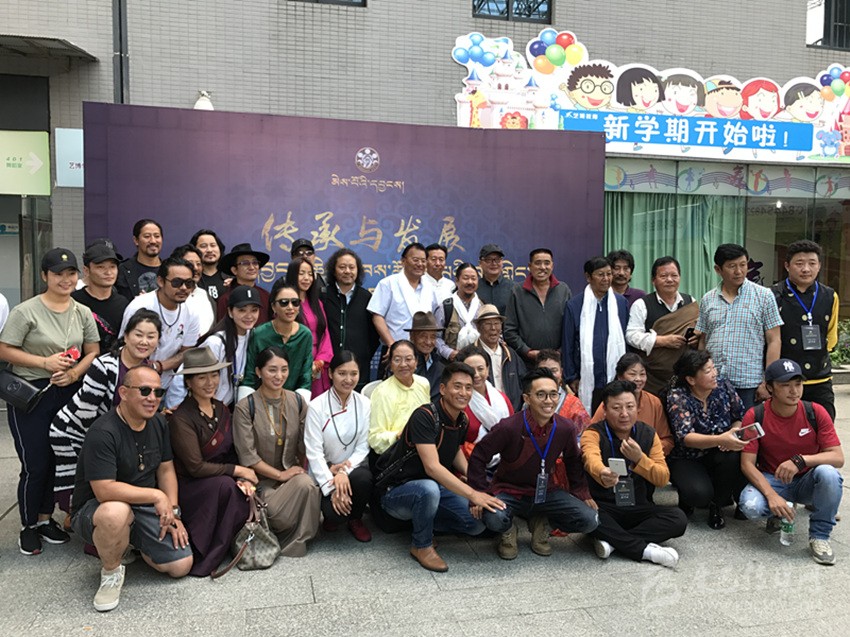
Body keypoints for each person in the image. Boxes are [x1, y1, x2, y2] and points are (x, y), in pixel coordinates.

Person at [0, 248, 100, 555]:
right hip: (32, 394)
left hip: (67, 390)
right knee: (35, 462)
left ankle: (46, 519)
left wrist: (74, 374)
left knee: (58, 458)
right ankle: (28, 525)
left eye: (71, 273)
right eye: (58, 274)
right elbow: (4, 349)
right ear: (45, 276)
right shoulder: (25, 311)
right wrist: (44, 363)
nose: (65, 279)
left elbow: (93, 351)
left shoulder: (81, 311)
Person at [70, 366, 193, 612]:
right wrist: (156, 495)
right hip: (97, 508)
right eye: (144, 391)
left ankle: (130, 543)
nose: (152, 398)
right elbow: (104, 490)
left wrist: (173, 513)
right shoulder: (103, 432)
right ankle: (111, 571)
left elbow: (166, 470)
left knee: (181, 565)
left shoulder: (158, 422)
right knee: (116, 513)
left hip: (142, 505)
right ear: (124, 393)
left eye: (158, 392)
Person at [378, 362, 506, 572]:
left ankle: (425, 523)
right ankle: (421, 545)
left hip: (435, 490)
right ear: (443, 389)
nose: (463, 393)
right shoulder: (425, 416)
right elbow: (432, 468)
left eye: (468, 388)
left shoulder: (462, 419)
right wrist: (473, 494)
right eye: (457, 386)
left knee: (476, 524)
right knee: (428, 488)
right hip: (397, 491)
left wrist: (476, 482)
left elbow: (454, 451)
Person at [468, 368, 598, 560]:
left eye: (553, 394)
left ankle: (543, 525)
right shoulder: (509, 426)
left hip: (547, 492)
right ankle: (508, 530)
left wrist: (582, 492)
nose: (548, 400)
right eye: (541, 395)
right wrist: (479, 493)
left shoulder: (565, 427)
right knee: (494, 519)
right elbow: (479, 455)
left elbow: (573, 460)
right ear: (527, 398)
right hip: (509, 491)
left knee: (590, 520)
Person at [51, 309, 162, 511]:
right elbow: (86, 412)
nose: (144, 341)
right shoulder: (104, 365)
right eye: (138, 334)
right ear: (125, 336)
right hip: (74, 429)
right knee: (83, 483)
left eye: (151, 336)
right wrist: (105, 444)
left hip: (110, 433)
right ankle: (78, 517)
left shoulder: (149, 369)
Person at [738, 358, 844, 565]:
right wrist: (771, 496)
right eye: (785, 385)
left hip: (808, 480)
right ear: (770, 387)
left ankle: (820, 536)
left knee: (829, 474)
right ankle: (779, 511)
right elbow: (747, 463)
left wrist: (800, 460)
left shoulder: (815, 411)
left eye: (798, 384)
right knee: (750, 506)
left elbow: (837, 457)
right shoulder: (755, 414)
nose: (794, 391)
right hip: (774, 479)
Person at [167, 348, 256, 576]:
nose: (210, 382)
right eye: (202, 377)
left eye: (214, 375)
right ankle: (209, 551)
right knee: (226, 486)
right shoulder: (181, 418)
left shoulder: (221, 408)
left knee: (239, 489)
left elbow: (231, 451)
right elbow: (195, 467)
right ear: (188, 382)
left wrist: (242, 477)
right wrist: (236, 471)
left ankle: (225, 544)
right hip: (192, 484)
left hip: (221, 477)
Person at [581, 380, 687, 567]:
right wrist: (603, 472)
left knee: (678, 519)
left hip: (638, 506)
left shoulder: (648, 434)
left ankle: (613, 542)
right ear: (604, 410)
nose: (624, 414)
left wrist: (639, 459)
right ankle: (646, 551)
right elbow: (591, 458)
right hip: (605, 507)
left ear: (637, 408)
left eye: (630, 407)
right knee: (586, 516)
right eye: (616, 408)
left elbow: (662, 478)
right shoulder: (593, 433)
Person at [233, 346, 320, 556]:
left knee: (307, 484)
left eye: (284, 369)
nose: (279, 376)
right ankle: (281, 530)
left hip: (291, 479)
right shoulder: (245, 407)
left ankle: (297, 540)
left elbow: (308, 442)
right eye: (272, 370)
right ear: (258, 372)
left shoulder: (296, 401)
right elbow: (248, 457)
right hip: (261, 484)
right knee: (283, 508)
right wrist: (281, 475)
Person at [666, 349, 747, 529]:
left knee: (734, 456)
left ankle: (717, 506)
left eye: (714, 368)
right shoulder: (678, 396)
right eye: (708, 371)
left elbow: (739, 416)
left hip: (720, 451)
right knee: (698, 495)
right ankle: (688, 497)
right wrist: (720, 439)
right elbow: (686, 436)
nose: (714, 373)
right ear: (691, 379)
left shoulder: (724, 386)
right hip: (687, 457)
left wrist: (733, 432)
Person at [695, 243, 783, 409]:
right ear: (718, 269)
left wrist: (768, 381)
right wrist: (699, 375)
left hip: (749, 384)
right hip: (713, 383)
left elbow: (774, 340)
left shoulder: (764, 296)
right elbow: (703, 341)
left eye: (743, 265)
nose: (739, 271)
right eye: (732, 266)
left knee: (748, 425)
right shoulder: (707, 299)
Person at [304, 351, 373, 542]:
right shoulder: (317, 406)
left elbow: (363, 446)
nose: (348, 380)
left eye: (354, 374)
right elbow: (314, 452)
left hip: (352, 469)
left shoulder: (365, 403)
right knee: (334, 516)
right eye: (342, 373)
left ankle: (356, 519)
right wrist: (332, 484)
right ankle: (333, 513)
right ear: (330, 373)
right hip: (325, 470)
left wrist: (343, 471)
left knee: (364, 478)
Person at [119, 256, 202, 409]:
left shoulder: (192, 311)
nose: (184, 288)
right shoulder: (140, 306)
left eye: (189, 283)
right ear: (161, 281)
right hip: (134, 389)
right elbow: (124, 347)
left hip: (166, 388)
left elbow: (187, 352)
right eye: (177, 282)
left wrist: (159, 366)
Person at [771, 240, 840, 421]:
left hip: (820, 379)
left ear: (819, 266)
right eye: (799, 263)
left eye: (812, 263)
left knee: (824, 426)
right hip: (785, 380)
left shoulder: (830, 296)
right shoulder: (773, 295)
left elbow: (831, 335)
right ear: (787, 266)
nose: (806, 269)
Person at [169, 285, 262, 409]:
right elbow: (184, 377)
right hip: (198, 408)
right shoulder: (215, 343)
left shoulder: (252, 335)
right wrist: (177, 407)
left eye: (254, 310)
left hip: (222, 408)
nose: (249, 316)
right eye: (242, 310)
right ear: (230, 312)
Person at [562, 256, 628, 414]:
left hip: (615, 377)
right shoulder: (574, 305)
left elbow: (626, 339)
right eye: (600, 274)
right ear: (588, 277)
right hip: (586, 378)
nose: (606, 279)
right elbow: (568, 344)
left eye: (609, 274)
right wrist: (571, 377)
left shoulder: (620, 303)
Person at [626, 256, 698, 395]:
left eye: (674, 275)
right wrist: (661, 341)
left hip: (684, 377)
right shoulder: (642, 304)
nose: (669, 280)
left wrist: (696, 339)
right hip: (652, 378)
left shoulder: (690, 302)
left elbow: (700, 330)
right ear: (653, 280)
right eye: (663, 276)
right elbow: (631, 335)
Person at [367, 242, 440, 373]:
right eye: (415, 260)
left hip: (423, 353)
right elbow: (377, 316)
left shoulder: (430, 287)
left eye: (423, 261)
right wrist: (391, 344)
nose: (420, 264)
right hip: (395, 352)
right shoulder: (388, 284)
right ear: (403, 261)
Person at [591, 353, 673, 456]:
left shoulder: (654, 402)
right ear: (620, 377)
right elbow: (591, 434)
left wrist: (645, 451)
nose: (638, 379)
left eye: (642, 374)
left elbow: (667, 440)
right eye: (633, 374)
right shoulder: (610, 403)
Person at [241, 281, 313, 399]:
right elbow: (250, 374)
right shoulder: (259, 334)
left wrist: (298, 404)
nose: (290, 307)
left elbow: (305, 377)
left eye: (295, 302)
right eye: (284, 302)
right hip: (261, 400)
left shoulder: (305, 335)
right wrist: (248, 405)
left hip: (293, 401)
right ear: (273, 306)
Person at [321, 248, 379, 391]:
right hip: (328, 369)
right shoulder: (323, 295)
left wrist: (362, 354)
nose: (347, 271)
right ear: (334, 270)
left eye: (352, 267)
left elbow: (374, 336)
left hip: (358, 370)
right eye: (342, 267)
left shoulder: (366, 298)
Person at [504, 248, 572, 364]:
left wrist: (560, 351)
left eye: (547, 263)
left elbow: (571, 327)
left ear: (552, 266)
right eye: (538, 263)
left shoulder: (563, 290)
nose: (542, 267)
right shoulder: (517, 291)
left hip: (558, 362)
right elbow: (509, 330)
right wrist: (526, 351)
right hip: (526, 363)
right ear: (530, 266)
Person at [367, 339, 430, 456]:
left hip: (423, 447)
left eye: (408, 359)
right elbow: (375, 438)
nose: (403, 364)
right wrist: (398, 436)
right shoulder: (382, 392)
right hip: (395, 453)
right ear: (390, 364)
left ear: (416, 362)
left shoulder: (423, 383)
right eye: (397, 360)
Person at [286, 256, 333, 397]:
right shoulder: (286, 304)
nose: (307, 278)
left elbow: (325, 334)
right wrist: (306, 365)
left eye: (310, 274)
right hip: (295, 365)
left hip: (317, 367)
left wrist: (319, 362)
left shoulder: (317, 303)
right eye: (301, 273)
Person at [455, 345, 513, 459]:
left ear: (487, 369)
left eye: (480, 369)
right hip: (471, 463)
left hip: (505, 461)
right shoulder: (457, 402)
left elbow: (514, 430)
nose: (476, 374)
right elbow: (454, 443)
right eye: (470, 370)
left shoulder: (501, 398)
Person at [72, 241, 129, 351]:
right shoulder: (74, 301)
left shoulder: (123, 304)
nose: (108, 272)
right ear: (86, 271)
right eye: (101, 267)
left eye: (112, 267)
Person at [472, 304, 525, 410]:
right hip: (482, 412)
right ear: (478, 327)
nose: (493, 328)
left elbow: (524, 382)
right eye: (488, 324)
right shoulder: (470, 355)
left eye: (497, 323)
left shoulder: (511, 354)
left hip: (511, 412)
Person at [535, 350, 591, 431]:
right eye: (543, 371)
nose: (549, 375)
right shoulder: (530, 401)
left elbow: (585, 434)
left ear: (561, 372)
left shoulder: (574, 405)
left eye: (554, 371)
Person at [215, 243, 271, 323]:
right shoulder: (226, 299)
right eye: (245, 263)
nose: (252, 267)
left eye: (255, 263)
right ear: (234, 270)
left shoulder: (266, 296)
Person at [437, 262, 481, 360]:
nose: (470, 282)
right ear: (457, 281)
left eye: (473, 278)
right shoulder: (445, 307)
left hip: (478, 362)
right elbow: (435, 337)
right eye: (465, 278)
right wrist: (449, 353)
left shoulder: (482, 307)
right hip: (452, 363)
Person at [170, 244, 215, 336]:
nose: (196, 268)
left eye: (198, 264)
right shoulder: (168, 295)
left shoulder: (205, 295)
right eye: (190, 264)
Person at [115, 219, 163, 300]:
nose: (153, 241)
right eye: (147, 236)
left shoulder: (169, 269)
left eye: (157, 236)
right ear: (136, 240)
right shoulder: (122, 270)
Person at [407, 311, 446, 402]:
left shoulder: (441, 368)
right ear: (412, 336)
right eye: (423, 336)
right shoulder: (403, 366)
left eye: (433, 337)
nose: (428, 342)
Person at [190, 229, 229, 303]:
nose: (209, 250)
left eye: (213, 245)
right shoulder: (189, 278)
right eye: (203, 246)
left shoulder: (231, 277)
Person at [477, 244, 516, 316]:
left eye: (497, 259)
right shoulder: (474, 288)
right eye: (489, 260)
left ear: (502, 262)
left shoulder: (514, 288)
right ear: (480, 263)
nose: (494, 263)